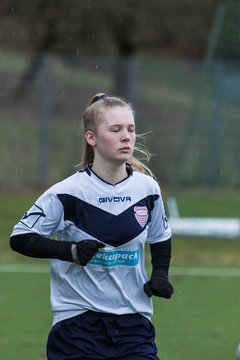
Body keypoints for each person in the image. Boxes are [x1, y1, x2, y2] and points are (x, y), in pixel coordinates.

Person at [10, 93, 174, 360]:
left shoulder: (148, 189)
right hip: (77, 325)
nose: (126, 136)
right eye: (116, 129)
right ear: (91, 138)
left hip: (134, 324)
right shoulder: (68, 192)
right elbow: (20, 237)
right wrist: (70, 251)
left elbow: (160, 237)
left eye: (131, 129)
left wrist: (161, 275)